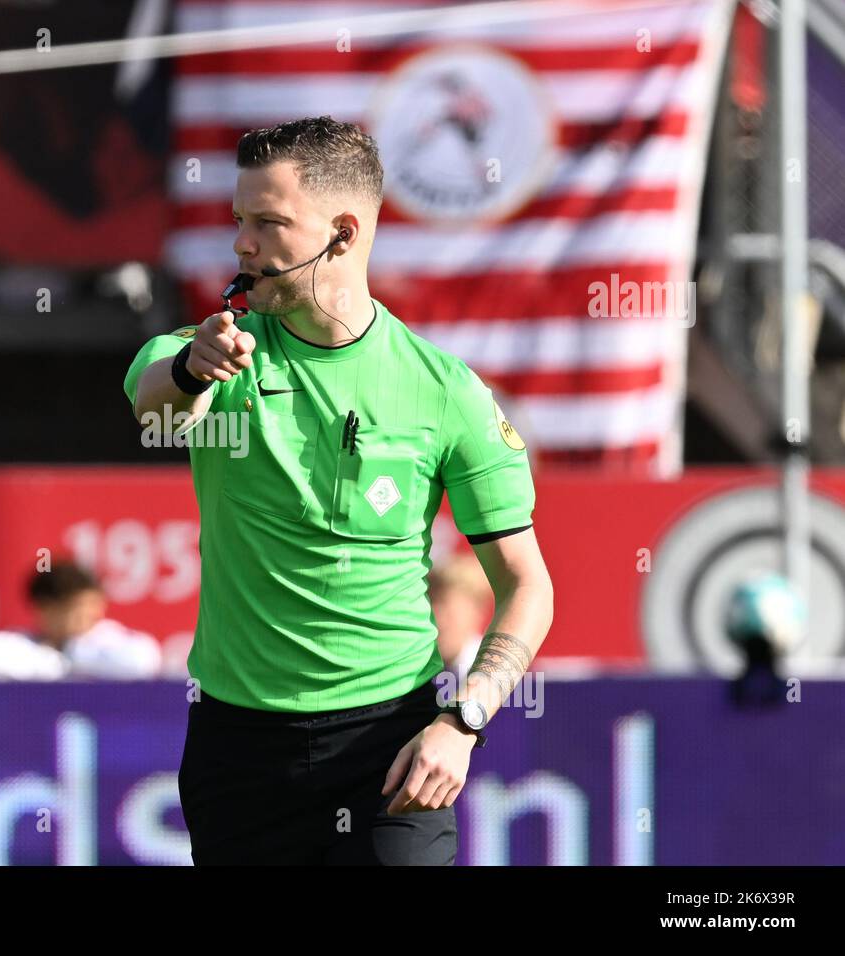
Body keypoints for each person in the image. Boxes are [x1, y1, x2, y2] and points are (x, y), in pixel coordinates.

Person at [123, 116, 554, 865]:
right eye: (238, 220)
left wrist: (465, 722)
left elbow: (526, 585)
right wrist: (195, 368)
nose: (242, 244)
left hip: (391, 753)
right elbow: (157, 410)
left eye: (268, 222)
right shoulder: (215, 354)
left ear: (343, 234)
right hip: (239, 755)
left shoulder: (443, 391)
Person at [0, 562, 161, 680]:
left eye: (95, 606)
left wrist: (74, 655)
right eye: (78, 608)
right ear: (46, 608)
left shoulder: (109, 640)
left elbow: (143, 659)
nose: (92, 616)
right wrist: (57, 661)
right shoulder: (22, 644)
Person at [429, 551, 495, 689]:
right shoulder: (419, 676)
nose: (438, 621)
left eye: (448, 611)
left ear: (477, 611)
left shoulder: (499, 677)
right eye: (432, 607)